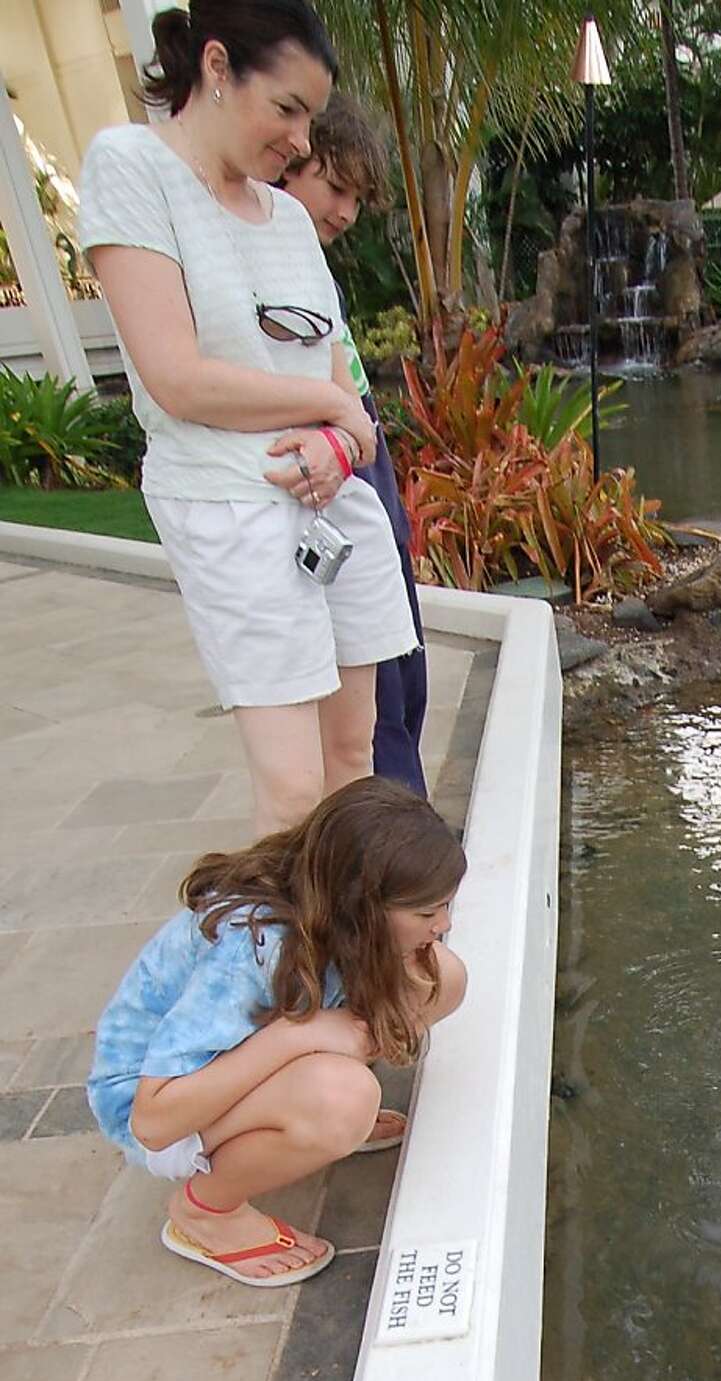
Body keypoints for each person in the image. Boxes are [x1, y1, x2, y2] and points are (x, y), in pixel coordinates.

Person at [78, 1, 419, 835]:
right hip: (230, 508)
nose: (302, 141)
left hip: (331, 508)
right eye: (288, 110)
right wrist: (336, 409)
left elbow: (347, 402)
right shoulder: (131, 166)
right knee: (294, 790)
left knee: (354, 765)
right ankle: (293, 965)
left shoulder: (291, 219)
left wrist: (342, 440)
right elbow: (177, 377)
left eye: (310, 116)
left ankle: (358, 959)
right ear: (219, 69)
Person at [87, 777, 467, 1287]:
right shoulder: (255, 945)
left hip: (237, 1067)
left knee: (441, 978)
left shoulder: (323, 905)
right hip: (153, 1104)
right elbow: (151, 1121)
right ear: (360, 905)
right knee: (344, 1098)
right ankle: (205, 1213)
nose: (442, 923)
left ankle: (303, 1113)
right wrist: (298, 1037)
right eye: (426, 912)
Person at [278, 95, 428, 794]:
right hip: (333, 496)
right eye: (334, 188)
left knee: (405, 675)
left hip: (369, 492)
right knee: (374, 715)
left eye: (357, 198)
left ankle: (403, 841)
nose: (344, 212)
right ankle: (395, 854)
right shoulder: (273, 262)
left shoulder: (311, 268)